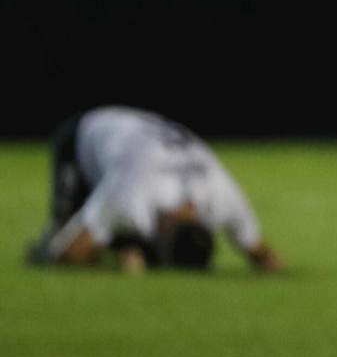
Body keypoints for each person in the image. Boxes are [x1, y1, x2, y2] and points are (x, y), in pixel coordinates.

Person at [27, 107, 282, 274]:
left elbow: (261, 253)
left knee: (116, 236)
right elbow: (69, 256)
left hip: (140, 142)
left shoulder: (222, 199)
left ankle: (128, 244)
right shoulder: (131, 195)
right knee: (56, 239)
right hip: (85, 137)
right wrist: (118, 261)